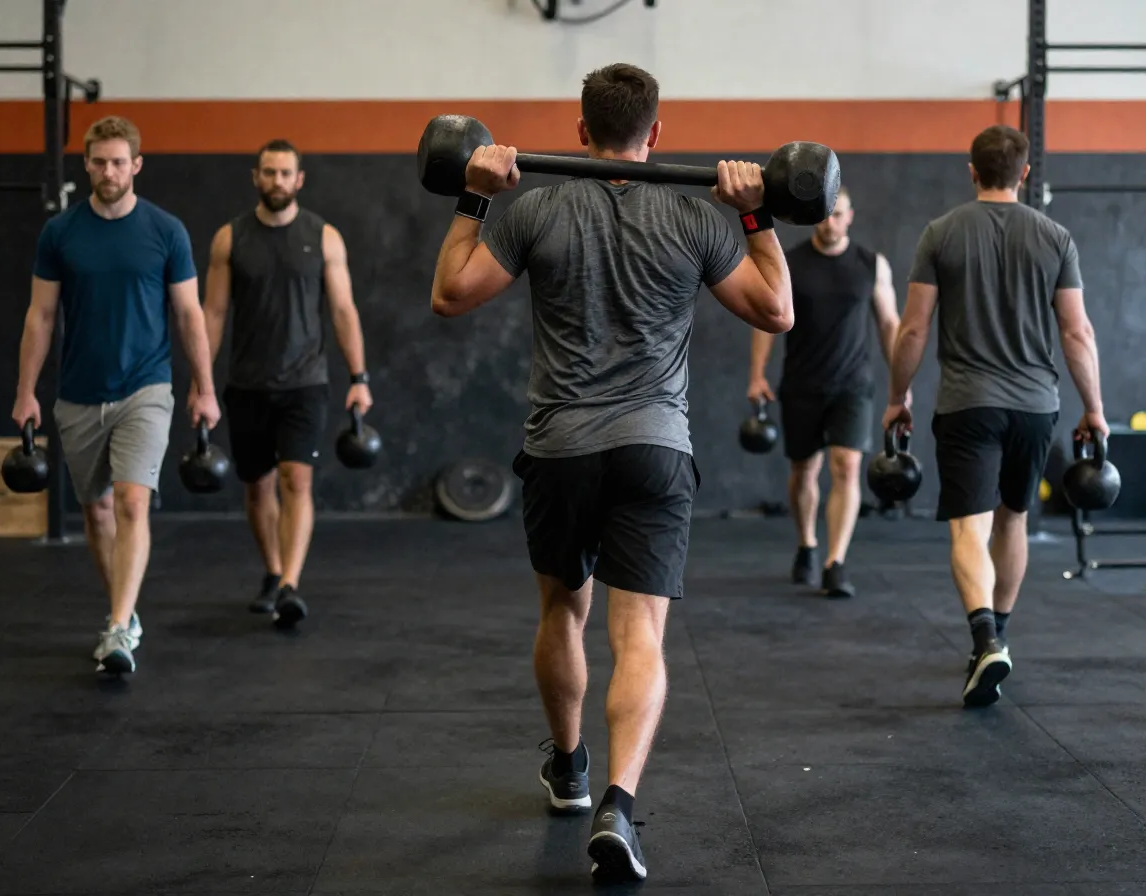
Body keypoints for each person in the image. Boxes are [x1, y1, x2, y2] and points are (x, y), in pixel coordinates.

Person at [428, 63, 794, 883]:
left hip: (561, 448)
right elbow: (778, 309)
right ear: (657, 134)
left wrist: (475, 194)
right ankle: (619, 807)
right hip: (657, 447)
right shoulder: (694, 219)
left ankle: (570, 768)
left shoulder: (537, 208)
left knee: (563, 611)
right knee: (641, 636)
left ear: (580, 131)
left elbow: (449, 294)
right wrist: (756, 214)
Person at [882, 124, 1108, 708]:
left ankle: (984, 637)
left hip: (967, 404)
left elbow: (912, 327)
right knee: (1013, 519)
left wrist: (896, 396)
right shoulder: (1056, 236)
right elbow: (1077, 331)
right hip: (1037, 407)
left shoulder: (941, 233)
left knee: (969, 528)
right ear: (1025, 174)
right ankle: (999, 634)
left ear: (972, 170)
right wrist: (1095, 409)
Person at [11, 115, 221, 676]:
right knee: (97, 510)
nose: (109, 171)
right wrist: (25, 392)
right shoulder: (60, 234)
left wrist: (204, 386)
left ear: (137, 165)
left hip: (145, 388)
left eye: (118, 161)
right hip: (77, 392)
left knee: (131, 500)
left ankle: (118, 627)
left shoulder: (166, 231)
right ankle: (121, 616)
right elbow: (41, 315)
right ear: (87, 165)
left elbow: (188, 313)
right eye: (99, 161)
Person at [199, 139, 373, 628]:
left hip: (306, 382)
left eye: (285, 173)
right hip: (246, 383)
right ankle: (273, 573)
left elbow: (343, 311)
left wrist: (359, 377)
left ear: (299, 180)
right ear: (255, 176)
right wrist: (201, 383)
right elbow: (212, 313)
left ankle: (291, 583)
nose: (277, 181)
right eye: (269, 172)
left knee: (297, 479)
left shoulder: (324, 237)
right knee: (258, 487)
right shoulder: (229, 239)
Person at [747, 186, 904, 598]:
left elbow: (890, 325)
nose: (829, 222)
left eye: (838, 215)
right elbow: (766, 319)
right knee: (804, 473)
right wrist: (756, 375)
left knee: (847, 467)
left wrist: (900, 385)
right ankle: (807, 543)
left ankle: (836, 561)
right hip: (801, 383)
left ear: (849, 217)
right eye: (824, 215)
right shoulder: (791, 263)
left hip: (853, 385)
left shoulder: (872, 265)